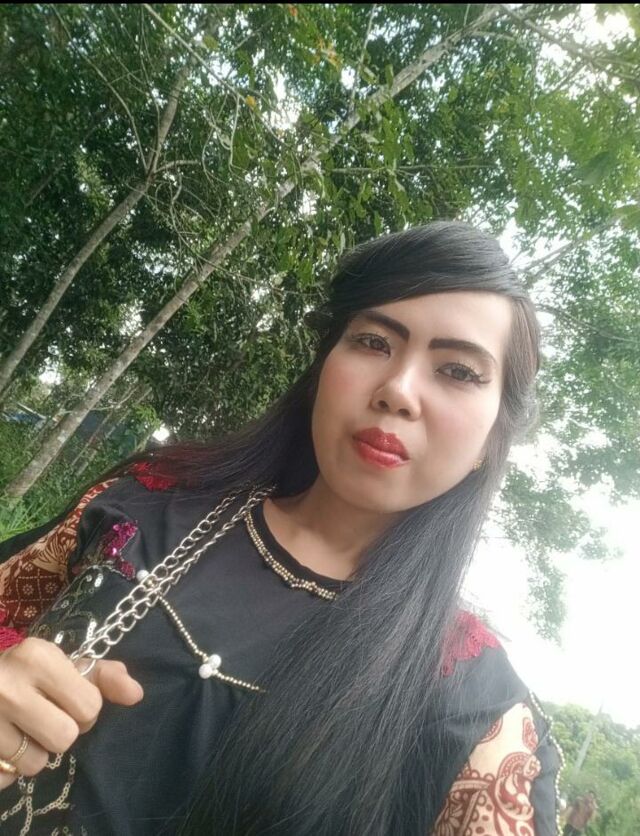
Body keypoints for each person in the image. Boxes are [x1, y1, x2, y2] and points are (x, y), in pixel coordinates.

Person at [0, 222, 563, 835]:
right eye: (373, 341)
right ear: (324, 365)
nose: (398, 391)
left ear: (492, 438)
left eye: (457, 371)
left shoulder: (478, 714)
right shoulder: (148, 504)